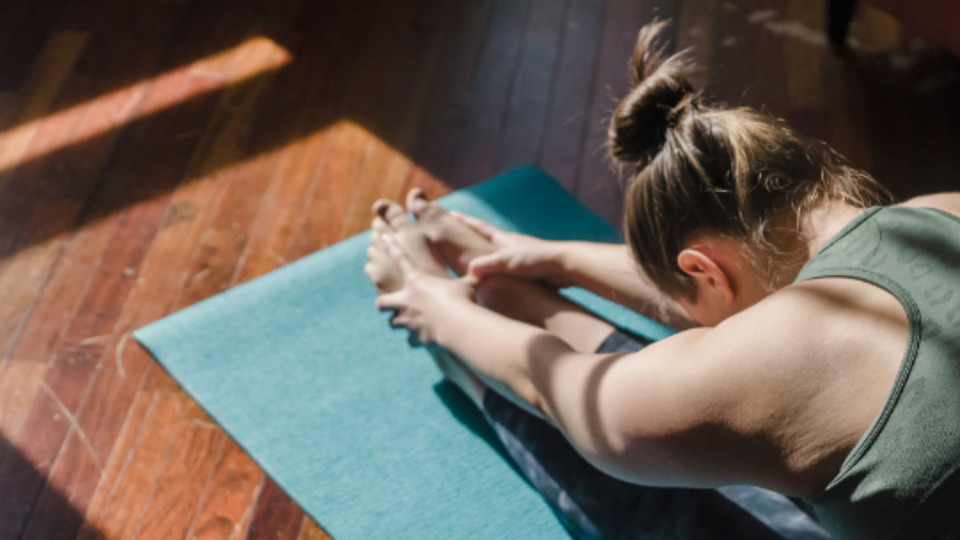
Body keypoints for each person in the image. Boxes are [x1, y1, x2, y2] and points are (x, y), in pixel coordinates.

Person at [364, 21, 960, 540]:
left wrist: (435, 309)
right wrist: (558, 259)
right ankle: (515, 300)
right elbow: (745, 290)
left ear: (703, 269)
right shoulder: (939, 211)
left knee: (668, 486)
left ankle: (477, 355)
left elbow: (579, 400)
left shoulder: (794, 356)